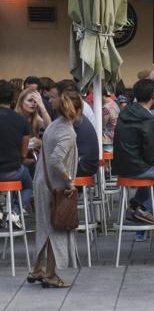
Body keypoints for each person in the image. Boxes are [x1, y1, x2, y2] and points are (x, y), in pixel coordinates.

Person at [29, 79, 84, 288]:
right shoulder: (68, 131)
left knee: (44, 227)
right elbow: (55, 160)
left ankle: (36, 269)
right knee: (56, 229)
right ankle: (50, 274)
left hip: (42, 182)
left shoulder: (54, 125)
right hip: (55, 186)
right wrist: (69, 180)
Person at [112, 79, 154, 231]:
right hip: (138, 168)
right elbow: (150, 154)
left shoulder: (125, 112)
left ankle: (135, 204)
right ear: (153, 95)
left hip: (122, 167)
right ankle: (145, 207)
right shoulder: (147, 118)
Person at [0, 80, 32, 226]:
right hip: (12, 170)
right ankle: (15, 212)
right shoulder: (21, 120)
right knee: (28, 185)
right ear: (13, 99)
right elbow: (24, 154)